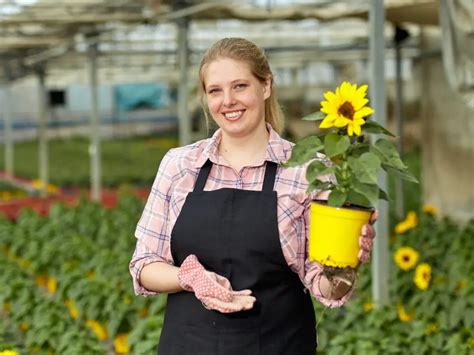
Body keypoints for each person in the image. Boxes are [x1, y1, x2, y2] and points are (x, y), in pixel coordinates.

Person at [129, 37, 377, 355]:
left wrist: (343, 264)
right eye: (215, 91)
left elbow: (324, 286)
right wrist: (189, 277)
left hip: (280, 344)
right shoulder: (180, 166)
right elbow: (144, 264)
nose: (228, 100)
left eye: (240, 86)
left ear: (266, 86)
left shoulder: (307, 169)